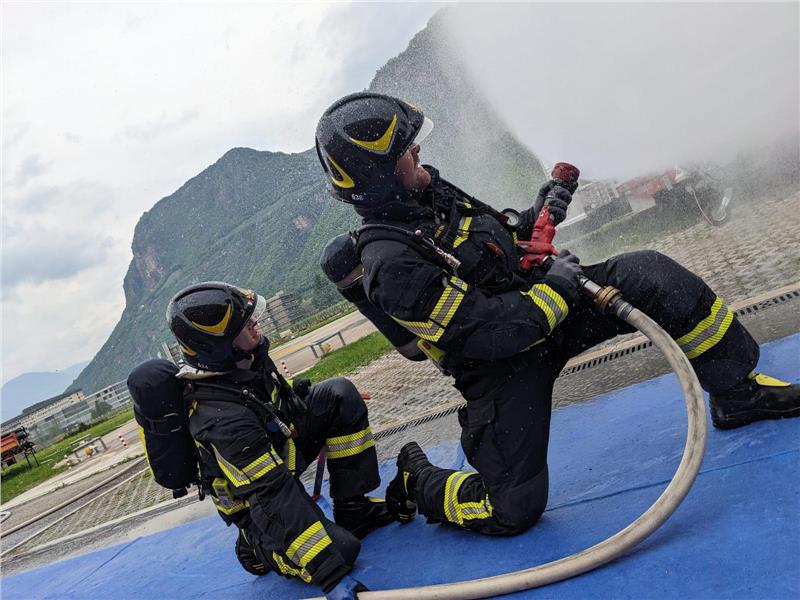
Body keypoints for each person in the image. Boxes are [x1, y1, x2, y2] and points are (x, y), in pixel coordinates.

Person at [315, 92, 800, 537]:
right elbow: (490, 333)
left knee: (652, 275)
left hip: (548, 309)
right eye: (405, 149)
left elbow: (502, 243)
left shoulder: (432, 196)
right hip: (501, 368)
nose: (418, 150)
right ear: (378, 175)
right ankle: (417, 477)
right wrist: (559, 288)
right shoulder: (390, 264)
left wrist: (539, 213)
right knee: (512, 508)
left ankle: (736, 393)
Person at [166, 281, 389, 595]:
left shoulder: (246, 360)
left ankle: (354, 510)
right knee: (341, 552)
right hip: (257, 501)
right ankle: (255, 548)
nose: (255, 324)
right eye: (244, 324)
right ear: (218, 344)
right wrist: (330, 575)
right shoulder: (221, 419)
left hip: (279, 457)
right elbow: (272, 494)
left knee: (338, 395)